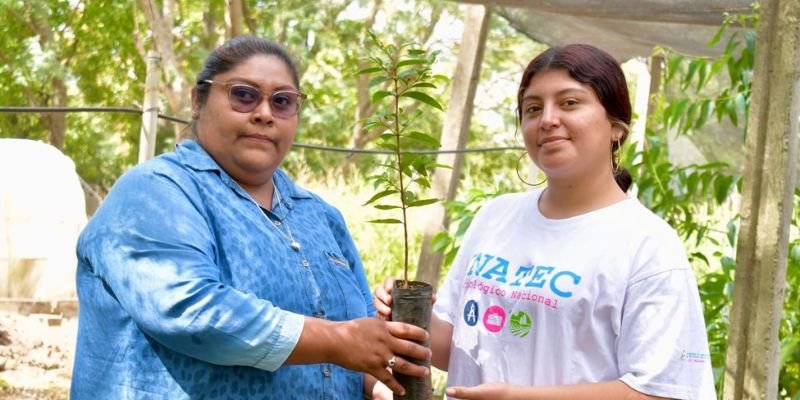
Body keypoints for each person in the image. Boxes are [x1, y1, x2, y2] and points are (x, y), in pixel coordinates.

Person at [71, 35, 430, 400]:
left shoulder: (320, 216)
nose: (264, 113)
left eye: (282, 101)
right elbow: (191, 312)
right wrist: (339, 340)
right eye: (244, 94)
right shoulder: (156, 192)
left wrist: (379, 373)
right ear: (198, 101)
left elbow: (353, 353)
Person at [374, 44, 717, 399]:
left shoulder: (647, 243)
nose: (548, 119)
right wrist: (404, 318)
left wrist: (516, 397)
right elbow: (455, 346)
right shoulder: (496, 216)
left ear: (617, 126)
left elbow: (663, 391)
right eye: (533, 108)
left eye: (569, 102)